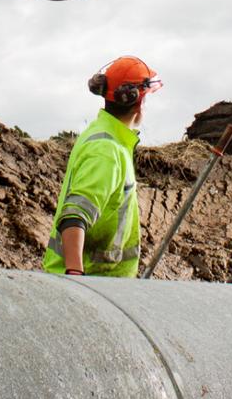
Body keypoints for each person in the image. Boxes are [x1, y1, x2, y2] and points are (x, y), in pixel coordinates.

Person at [43, 56, 161, 278]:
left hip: (103, 288)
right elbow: (75, 215)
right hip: (95, 287)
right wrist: (76, 277)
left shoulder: (106, 137)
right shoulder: (106, 150)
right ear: (138, 101)